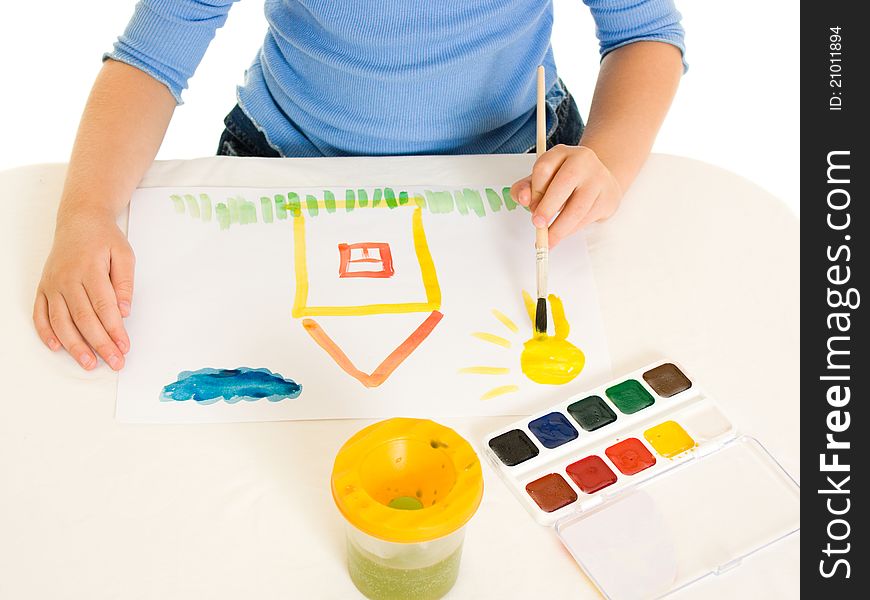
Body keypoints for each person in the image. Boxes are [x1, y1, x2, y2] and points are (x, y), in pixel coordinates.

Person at [33, 0, 686, 372]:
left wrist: (606, 160)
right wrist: (86, 210)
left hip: (520, 174)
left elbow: (644, 34)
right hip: (284, 169)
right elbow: (151, 60)